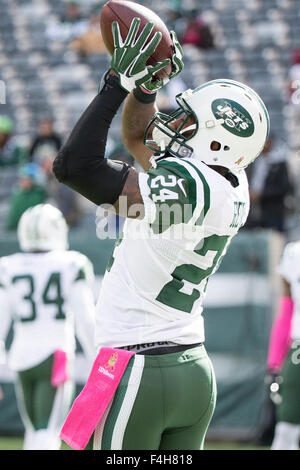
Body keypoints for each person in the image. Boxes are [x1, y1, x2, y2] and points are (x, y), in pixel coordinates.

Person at [53, 18, 269, 450]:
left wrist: (116, 82)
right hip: (189, 365)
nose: (176, 123)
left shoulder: (189, 185)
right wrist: (146, 89)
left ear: (216, 141)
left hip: (139, 368)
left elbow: (75, 168)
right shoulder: (228, 184)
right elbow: (136, 136)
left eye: (190, 121)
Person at [0, 204, 96, 450]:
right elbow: (86, 320)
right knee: (47, 432)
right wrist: (100, 363)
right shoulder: (71, 263)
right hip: (55, 355)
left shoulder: (8, 266)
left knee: (35, 430)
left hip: (21, 358)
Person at [266, 241, 300, 450]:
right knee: (287, 429)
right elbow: (287, 311)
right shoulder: (294, 253)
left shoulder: (294, 253)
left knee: (286, 432)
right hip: (298, 352)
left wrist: (274, 364)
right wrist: (275, 362)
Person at [248, 135, 291, 232]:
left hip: (272, 211)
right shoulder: (252, 161)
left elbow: (283, 187)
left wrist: (261, 194)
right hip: (253, 210)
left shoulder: (279, 163)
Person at [6, 162, 48, 231]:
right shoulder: (17, 195)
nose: (22, 181)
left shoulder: (39, 194)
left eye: (26, 179)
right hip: (17, 230)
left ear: (32, 180)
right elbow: (13, 217)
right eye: (21, 179)